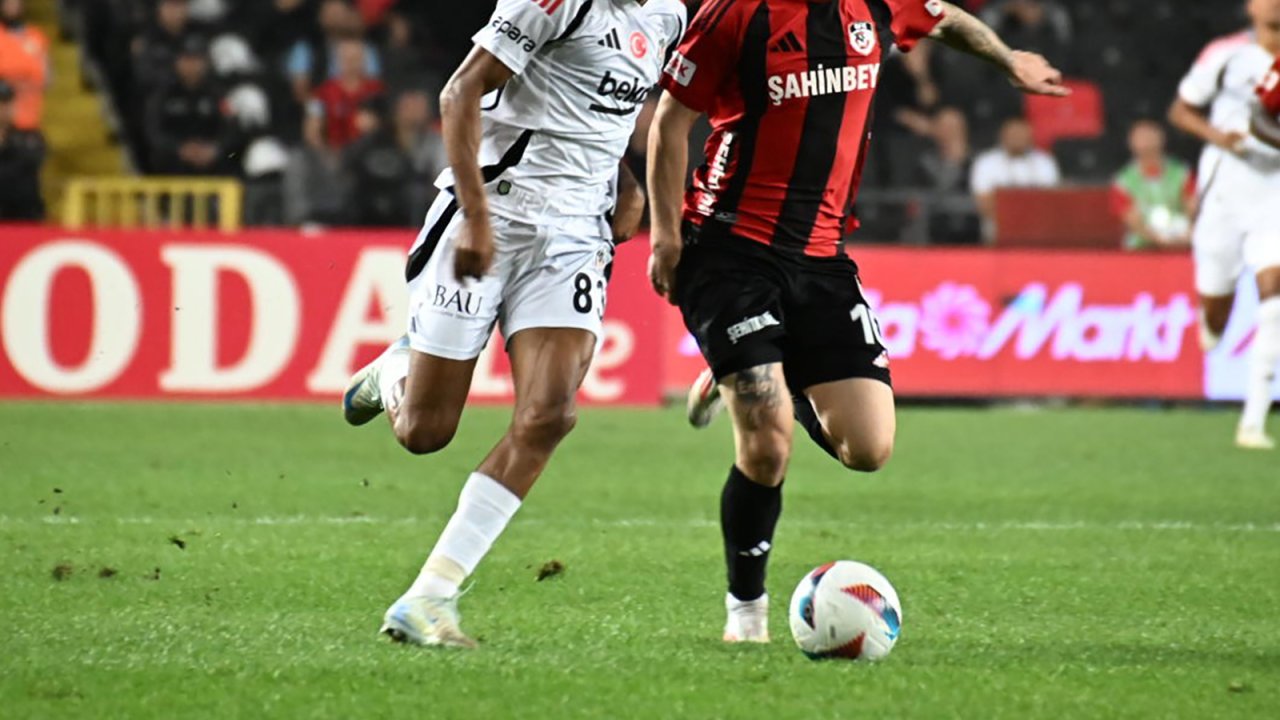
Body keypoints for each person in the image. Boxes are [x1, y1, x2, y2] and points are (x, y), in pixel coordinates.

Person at [648, 0, 1065, 643]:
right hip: (729, 249)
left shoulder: (878, 4)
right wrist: (665, 238)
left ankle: (754, 366)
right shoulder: (735, 13)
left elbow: (946, 18)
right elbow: (670, 122)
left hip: (821, 258)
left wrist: (1008, 60)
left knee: (867, 450)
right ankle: (746, 615)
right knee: (767, 443)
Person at [339, 0, 681, 648]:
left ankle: (430, 596)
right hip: (492, 213)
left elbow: (593, 109)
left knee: (549, 415)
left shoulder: (667, 16)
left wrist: (627, 183)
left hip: (574, 238)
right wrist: (475, 217)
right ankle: (396, 370)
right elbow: (460, 91)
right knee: (424, 432)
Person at [1169, 0, 1280, 451]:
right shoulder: (1227, 53)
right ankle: (1211, 316)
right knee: (1215, 312)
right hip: (1225, 192)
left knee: (1274, 300)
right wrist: (1221, 138)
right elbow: (1181, 111)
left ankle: (1253, 421)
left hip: (1274, 193)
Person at [144, 36, 234, 175]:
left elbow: (231, 128)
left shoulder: (218, 94)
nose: (191, 65)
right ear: (177, 61)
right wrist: (178, 148)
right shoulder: (162, 93)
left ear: (206, 62)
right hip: (172, 162)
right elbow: (153, 130)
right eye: (187, 59)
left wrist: (215, 148)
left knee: (231, 156)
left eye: (196, 59)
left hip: (210, 160)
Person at [1110, 120, 1197, 251]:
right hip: (1141, 248)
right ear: (1130, 143)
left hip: (1182, 241)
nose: (1146, 141)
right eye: (1140, 137)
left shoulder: (1182, 173)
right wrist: (1159, 240)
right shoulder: (1123, 182)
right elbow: (1132, 220)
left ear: (1162, 138)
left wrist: (1187, 233)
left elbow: (1192, 206)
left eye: (1150, 135)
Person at [970, 116, 1060, 241]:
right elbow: (983, 204)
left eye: (1021, 134)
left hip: (1039, 232)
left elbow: (1052, 202)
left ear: (1030, 136)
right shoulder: (986, 162)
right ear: (1002, 135)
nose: (1017, 138)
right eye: (1013, 134)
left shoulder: (1044, 162)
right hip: (997, 233)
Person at [304, 38, 384, 151]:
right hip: (335, 151)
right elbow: (312, 129)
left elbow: (387, 124)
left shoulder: (377, 89)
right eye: (346, 59)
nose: (351, 63)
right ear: (338, 61)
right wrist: (323, 153)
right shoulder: (323, 92)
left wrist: (375, 124)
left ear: (364, 60)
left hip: (370, 153)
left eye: (355, 59)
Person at [915, 107, 981, 244]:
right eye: (945, 127)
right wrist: (953, 163)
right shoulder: (927, 160)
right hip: (937, 227)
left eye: (954, 127)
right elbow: (937, 195)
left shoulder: (979, 160)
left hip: (974, 226)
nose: (950, 132)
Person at [0, 0, 50, 131]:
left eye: (15, 3)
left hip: (30, 122)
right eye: (8, 3)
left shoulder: (36, 37)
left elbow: (47, 79)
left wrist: (23, 83)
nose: (12, 7)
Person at [0, 78, 45, 220]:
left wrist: (5, 146)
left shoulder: (29, 137)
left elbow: (29, 163)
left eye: (6, 103)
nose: (3, 109)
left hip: (23, 217)